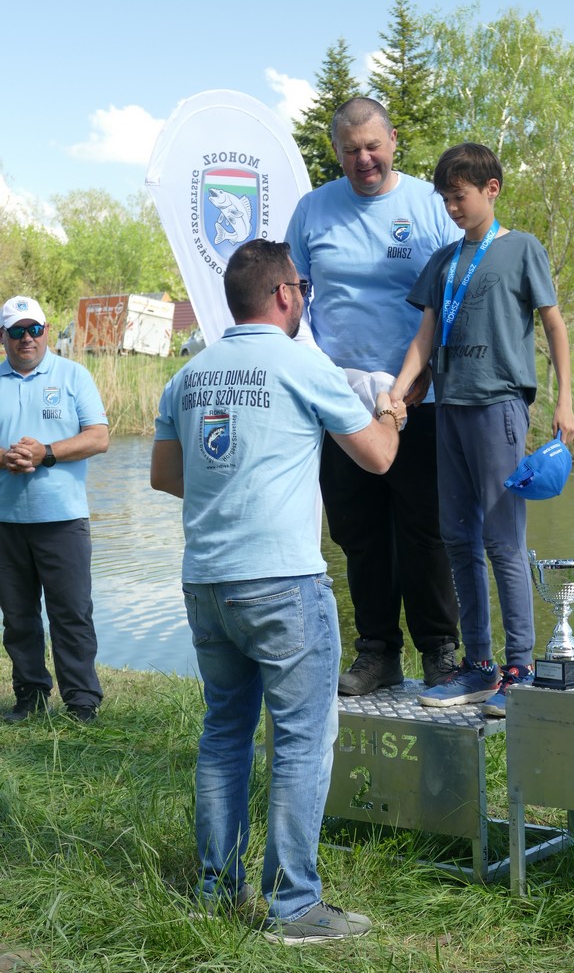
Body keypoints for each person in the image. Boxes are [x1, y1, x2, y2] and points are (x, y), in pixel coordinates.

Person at [150, 240, 406, 944]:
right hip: (283, 583)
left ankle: (217, 890)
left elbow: (166, 476)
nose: (303, 299)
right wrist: (390, 411)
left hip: (207, 582)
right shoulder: (303, 364)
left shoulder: (188, 375)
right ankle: (294, 907)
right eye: (302, 289)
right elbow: (378, 458)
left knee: (224, 734)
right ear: (285, 294)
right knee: (300, 741)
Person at [391, 142, 574, 716]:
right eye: (445, 199)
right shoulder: (444, 260)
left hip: (499, 406)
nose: (452, 208)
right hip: (448, 408)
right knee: (457, 539)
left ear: (491, 190)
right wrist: (399, 390)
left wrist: (565, 400)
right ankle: (478, 665)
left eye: (460, 196)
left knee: (502, 540)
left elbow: (554, 326)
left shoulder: (521, 248)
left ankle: (519, 667)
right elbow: (425, 335)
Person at [285, 97, 460, 696]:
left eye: (372, 146)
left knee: (425, 530)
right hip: (341, 404)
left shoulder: (431, 207)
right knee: (358, 532)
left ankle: (440, 651)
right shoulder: (313, 210)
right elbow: (291, 299)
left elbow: (458, 295)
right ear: (336, 151)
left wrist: (425, 375)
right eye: (350, 150)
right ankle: (378, 653)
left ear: (393, 142)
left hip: (420, 399)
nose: (363, 159)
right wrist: (313, 375)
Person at [0, 295, 109, 723]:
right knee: (17, 617)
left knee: (72, 614)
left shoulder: (73, 375)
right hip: (6, 521)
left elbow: (99, 437)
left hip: (63, 519)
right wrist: (4, 458)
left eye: (34, 329)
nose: (26, 338)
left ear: (46, 331)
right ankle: (30, 696)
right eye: (16, 331)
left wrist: (45, 452)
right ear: (3, 336)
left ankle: (82, 702)